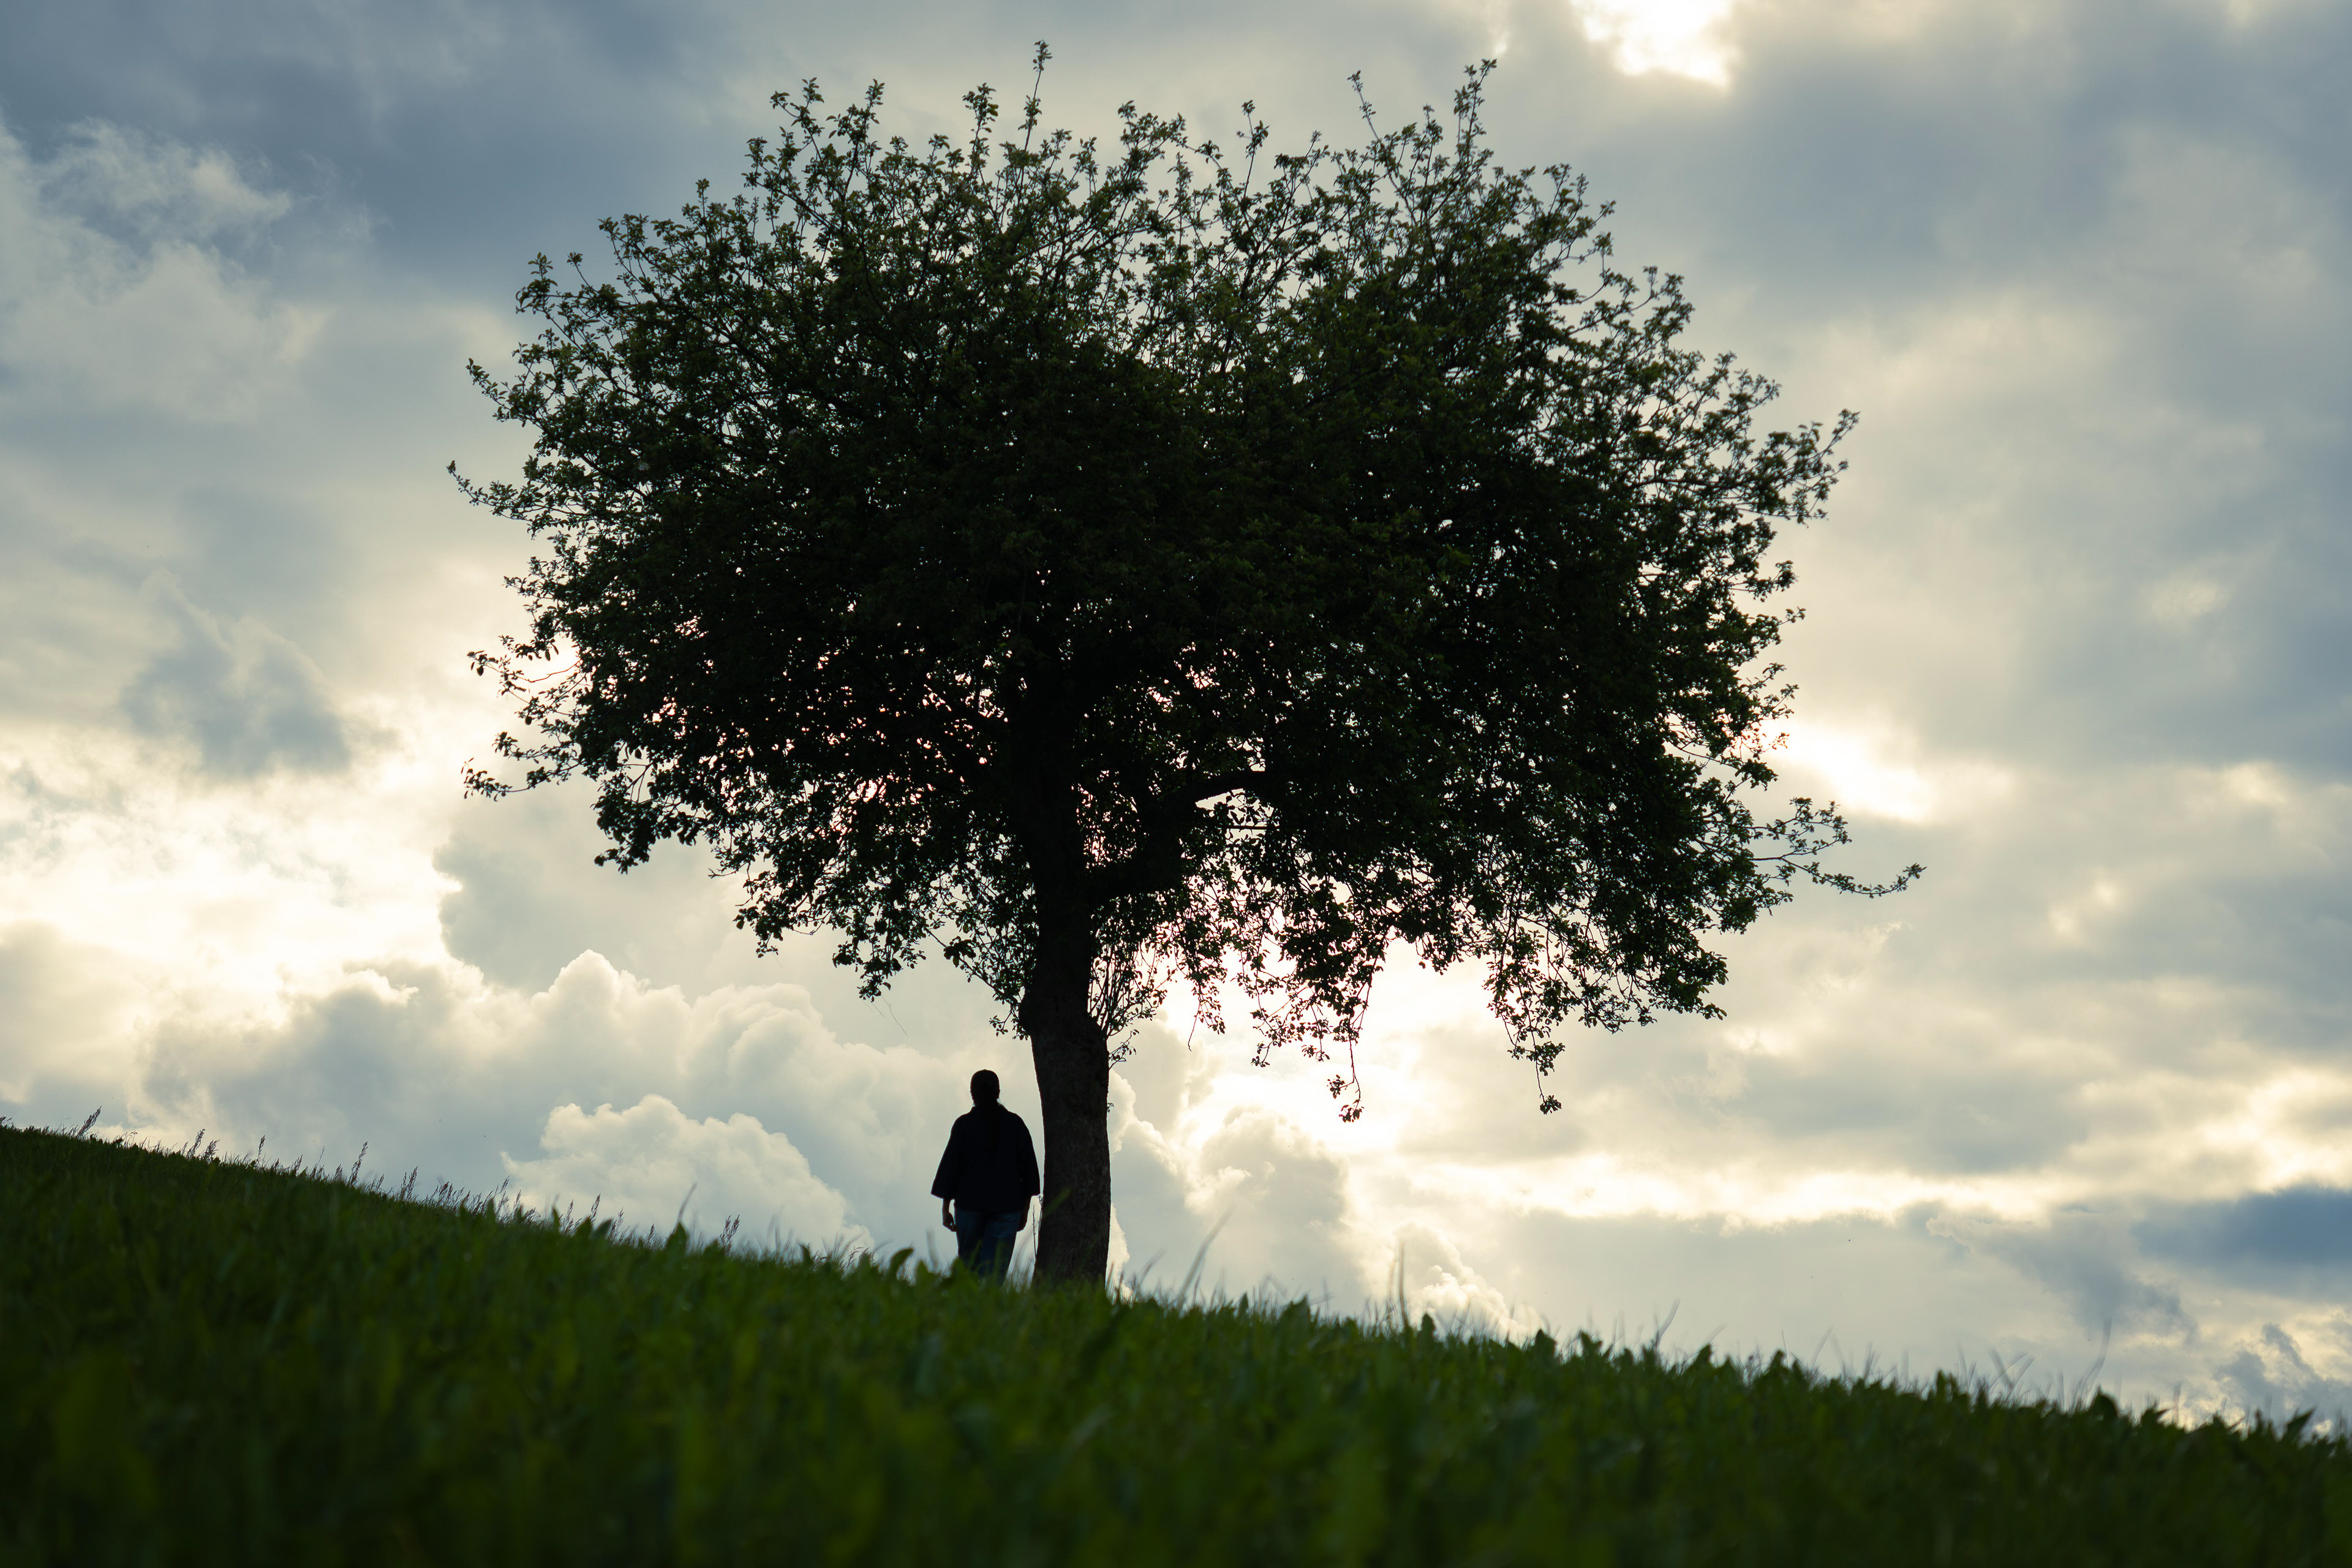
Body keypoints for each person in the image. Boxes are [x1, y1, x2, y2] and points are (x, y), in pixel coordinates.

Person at [930, 1069, 1040, 1282]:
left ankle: (967, 1310)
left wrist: (945, 1208)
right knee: (995, 1274)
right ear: (999, 1092)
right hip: (1007, 1208)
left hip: (969, 1206)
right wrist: (1024, 1210)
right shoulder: (1016, 1125)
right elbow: (1029, 1171)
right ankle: (989, 1311)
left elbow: (951, 1167)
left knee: (969, 1268)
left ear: (972, 1094)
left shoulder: (964, 1125)